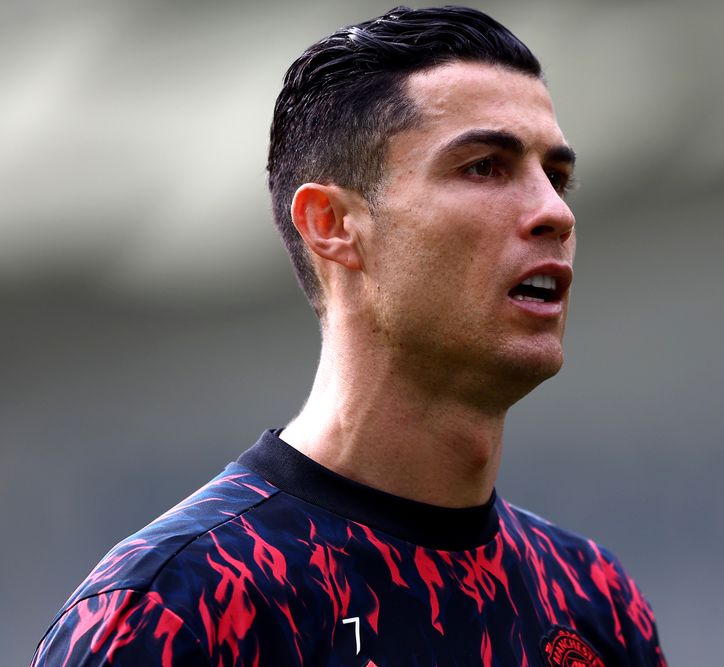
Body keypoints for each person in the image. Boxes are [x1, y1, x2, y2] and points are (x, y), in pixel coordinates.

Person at [31, 6, 666, 666]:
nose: (555, 214)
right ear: (331, 223)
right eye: (484, 166)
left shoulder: (594, 603)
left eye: (556, 177)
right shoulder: (177, 608)